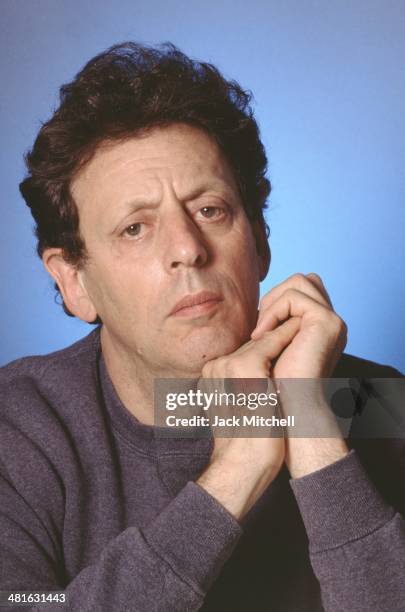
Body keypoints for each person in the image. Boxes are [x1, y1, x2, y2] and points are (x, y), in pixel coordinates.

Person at [1, 42, 404, 612]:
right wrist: (235, 473)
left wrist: (312, 426)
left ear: (260, 242)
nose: (187, 249)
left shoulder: (379, 405)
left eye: (210, 210)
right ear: (74, 282)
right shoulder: (17, 430)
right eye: (135, 228)